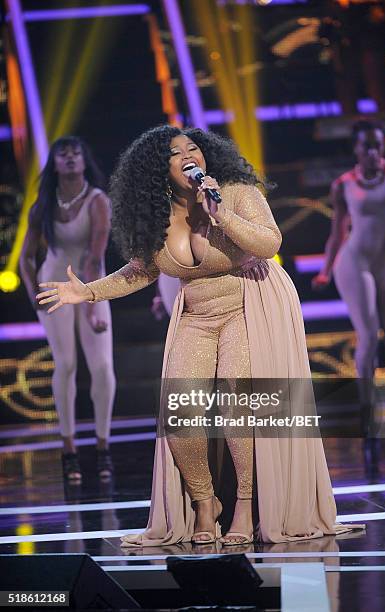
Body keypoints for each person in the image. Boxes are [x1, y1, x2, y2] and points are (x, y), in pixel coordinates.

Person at [37, 126, 362, 546]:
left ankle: (245, 505)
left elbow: (269, 242)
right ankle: (205, 503)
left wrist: (220, 212)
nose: (191, 155)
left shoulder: (236, 192)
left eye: (195, 148)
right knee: (181, 409)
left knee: (235, 400)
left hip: (250, 301)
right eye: (177, 153)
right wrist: (87, 291)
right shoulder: (155, 213)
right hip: (196, 312)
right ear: (159, 168)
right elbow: (141, 270)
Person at [20, 136, 116, 482]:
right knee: (66, 363)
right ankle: (69, 450)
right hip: (54, 284)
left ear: (84, 160)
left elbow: (94, 255)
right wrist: (35, 295)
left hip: (90, 282)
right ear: (56, 163)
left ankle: (103, 448)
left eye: (77, 152)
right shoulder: (43, 204)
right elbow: (26, 257)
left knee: (102, 365)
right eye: (64, 154)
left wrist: (91, 305)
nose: (72, 158)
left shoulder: (97, 201)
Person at [313, 120, 385, 385]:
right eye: (367, 147)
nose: (374, 153)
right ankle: (367, 408)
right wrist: (325, 271)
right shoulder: (344, 184)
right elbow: (338, 232)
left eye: (378, 146)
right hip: (355, 263)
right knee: (368, 335)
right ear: (356, 149)